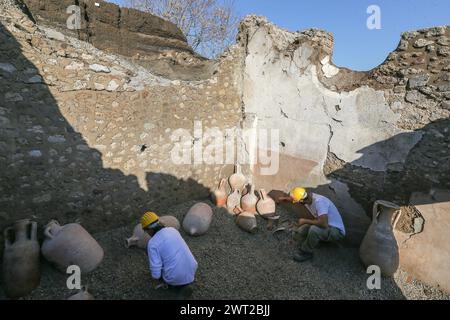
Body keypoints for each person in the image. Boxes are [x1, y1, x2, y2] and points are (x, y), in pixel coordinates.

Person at [277, 187, 346, 262]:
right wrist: (284, 199)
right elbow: (296, 199)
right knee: (301, 231)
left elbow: (324, 224)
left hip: (336, 231)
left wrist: (305, 221)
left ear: (302, 201)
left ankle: (306, 252)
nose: (298, 203)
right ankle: (318, 241)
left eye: (299, 202)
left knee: (314, 230)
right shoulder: (307, 198)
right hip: (326, 226)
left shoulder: (320, 202)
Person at [141, 211, 198, 298]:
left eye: (146, 231)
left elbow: (156, 275)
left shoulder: (152, 243)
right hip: (192, 269)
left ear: (149, 229)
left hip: (175, 277)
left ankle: (175, 288)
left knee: (152, 256)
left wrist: (156, 276)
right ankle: (184, 284)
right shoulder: (173, 230)